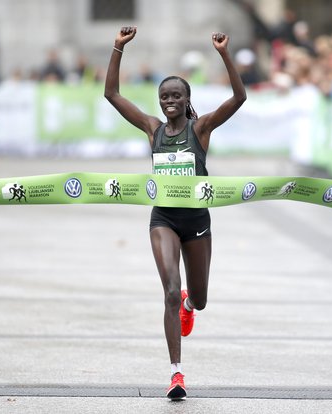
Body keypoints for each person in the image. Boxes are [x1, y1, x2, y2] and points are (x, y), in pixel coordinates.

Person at [104, 26, 246, 400]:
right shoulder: (153, 129)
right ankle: (176, 374)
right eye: (164, 96)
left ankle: (188, 304)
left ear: (186, 100)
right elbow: (112, 94)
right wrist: (118, 48)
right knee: (168, 290)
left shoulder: (201, 130)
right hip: (163, 220)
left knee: (197, 299)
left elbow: (239, 97)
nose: (169, 101)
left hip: (197, 224)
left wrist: (224, 54)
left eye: (176, 96)